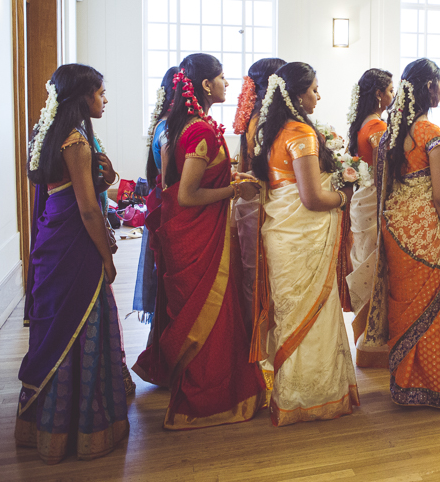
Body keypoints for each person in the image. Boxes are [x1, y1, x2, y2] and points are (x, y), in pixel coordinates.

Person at [145, 53, 266, 429]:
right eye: (222, 78)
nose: (228, 84)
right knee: (211, 317)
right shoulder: (200, 131)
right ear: (205, 86)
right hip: (198, 234)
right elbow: (186, 194)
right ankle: (204, 401)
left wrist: (230, 180)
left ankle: (210, 393)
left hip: (194, 231)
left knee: (213, 316)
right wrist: (233, 191)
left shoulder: (184, 125)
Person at [18, 64, 129, 464]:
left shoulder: (46, 133)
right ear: (84, 97)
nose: (104, 99)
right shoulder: (77, 141)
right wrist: (106, 256)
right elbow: (86, 211)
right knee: (80, 326)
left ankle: (45, 425)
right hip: (76, 246)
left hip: (52, 238)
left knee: (54, 326)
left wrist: (109, 175)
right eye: (100, 92)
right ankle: (81, 424)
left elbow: (72, 191)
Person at [252, 62, 359, 425]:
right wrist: (345, 196)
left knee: (288, 314)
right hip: (303, 238)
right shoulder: (301, 133)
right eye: (314, 89)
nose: (318, 95)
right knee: (313, 313)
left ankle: (289, 396)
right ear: (298, 94)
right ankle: (316, 396)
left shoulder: (271, 130)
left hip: (281, 235)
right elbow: (312, 197)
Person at [364, 58, 440, 409]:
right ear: (428, 87)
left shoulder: (389, 134)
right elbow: (439, 196)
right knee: (434, 310)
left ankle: (405, 385)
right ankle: (436, 386)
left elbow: (383, 186)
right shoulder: (432, 134)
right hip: (425, 232)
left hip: (395, 227)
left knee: (405, 305)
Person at [231, 57, 286, 329]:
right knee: (258, 273)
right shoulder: (263, 119)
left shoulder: (261, 114)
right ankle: (258, 338)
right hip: (260, 200)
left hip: (254, 200)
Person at [131, 66, 177, 385]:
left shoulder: (161, 125)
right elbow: (176, 180)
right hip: (170, 210)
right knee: (169, 281)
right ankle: (167, 355)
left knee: (165, 281)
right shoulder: (171, 130)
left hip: (161, 203)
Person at [345, 67, 394, 368]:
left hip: (361, 199)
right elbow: (383, 172)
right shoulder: (376, 127)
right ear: (378, 94)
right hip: (373, 200)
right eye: (389, 90)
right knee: (375, 265)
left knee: (366, 259)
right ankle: (374, 340)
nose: (392, 95)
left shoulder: (362, 123)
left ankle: (370, 339)